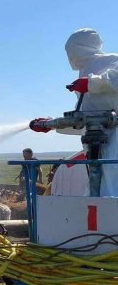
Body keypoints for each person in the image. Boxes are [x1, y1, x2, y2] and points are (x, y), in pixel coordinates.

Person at [33, 29, 118, 196]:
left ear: (82, 47)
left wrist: (91, 83)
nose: (70, 56)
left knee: (113, 182)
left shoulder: (111, 60)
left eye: (71, 50)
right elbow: (83, 120)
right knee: (98, 188)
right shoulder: (84, 71)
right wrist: (51, 124)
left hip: (115, 138)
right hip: (95, 143)